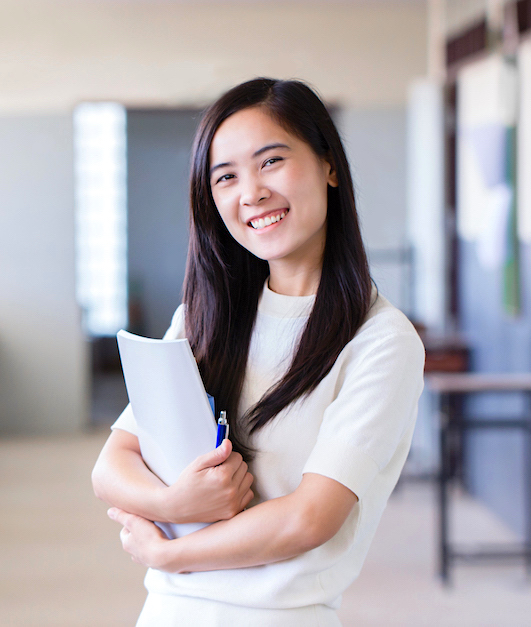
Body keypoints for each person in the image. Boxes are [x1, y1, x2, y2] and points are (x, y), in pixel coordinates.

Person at [91, 77, 425, 626]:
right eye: (226, 177)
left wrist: (171, 553)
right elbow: (112, 465)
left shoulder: (381, 342)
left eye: (271, 162)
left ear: (329, 165)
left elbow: (308, 519)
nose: (251, 193)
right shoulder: (203, 318)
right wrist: (176, 506)